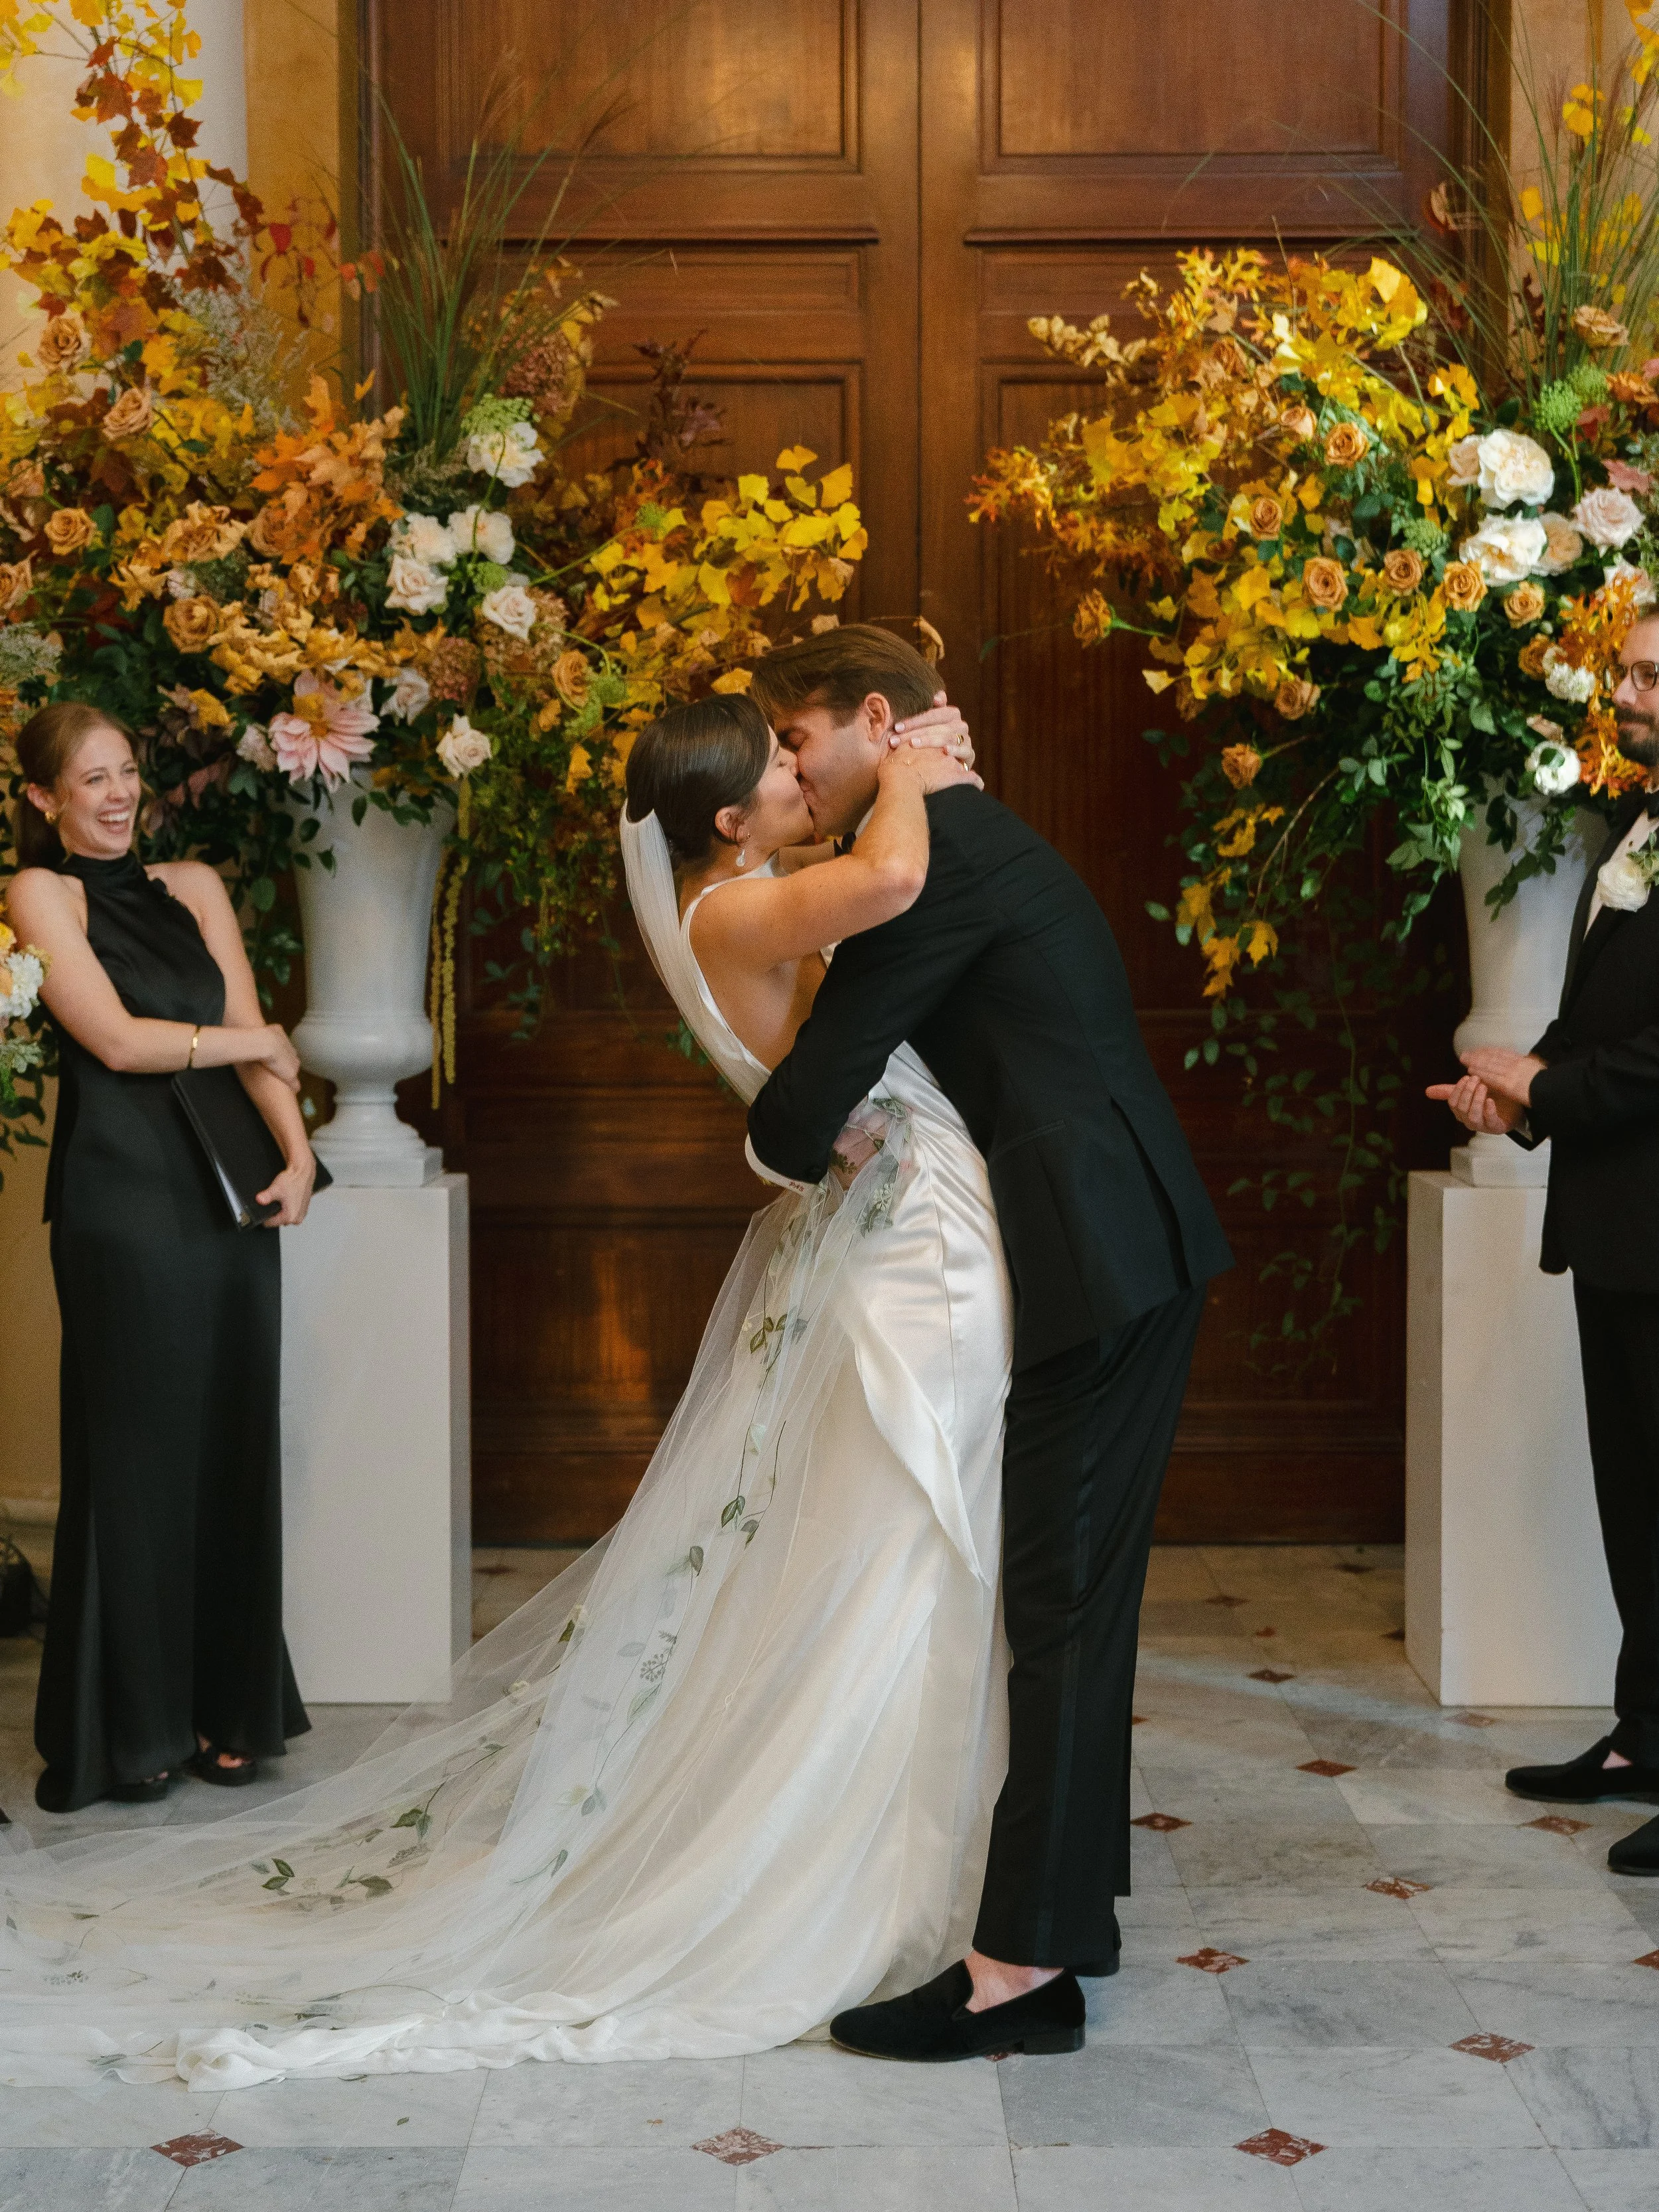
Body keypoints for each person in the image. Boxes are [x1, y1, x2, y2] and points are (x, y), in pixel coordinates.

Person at [0, 684, 1033, 2089]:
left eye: (804, 752)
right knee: (890, 1540)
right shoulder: (739, 909)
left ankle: (916, 1840)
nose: (807, 773)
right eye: (784, 762)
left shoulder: (758, 887)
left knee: (892, 1543)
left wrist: (283, 1130)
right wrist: (920, 764)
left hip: (877, 1232)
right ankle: (850, 1861)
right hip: (891, 1250)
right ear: (729, 819)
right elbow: (895, 878)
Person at [744, 624, 1233, 2061]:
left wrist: (802, 1126)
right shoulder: (958, 834)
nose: (790, 768)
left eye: (798, 739)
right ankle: (1069, 1910)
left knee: (1062, 1608)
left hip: (1099, 1255)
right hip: (1119, 1240)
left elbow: (793, 1111)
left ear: (874, 720)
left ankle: (1021, 1970)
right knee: (1073, 1605)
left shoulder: (928, 869)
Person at [5, 703, 316, 1814]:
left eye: (127, 771)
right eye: (91, 780)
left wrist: (299, 1149)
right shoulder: (41, 894)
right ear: (45, 801)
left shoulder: (195, 887)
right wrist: (258, 1044)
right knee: (139, 1460)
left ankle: (228, 1709)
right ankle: (128, 1726)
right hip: (121, 1201)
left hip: (228, 1201)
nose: (118, 793)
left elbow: (247, 1013)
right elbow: (119, 1040)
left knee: (229, 1442)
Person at [1429, 613, 1659, 1878]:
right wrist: (1512, 1097)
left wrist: (1545, 1086)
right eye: (1625, 671)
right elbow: (1599, 1017)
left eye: (1646, 676)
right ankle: (1644, 1737)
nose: (1620, 692)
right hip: (1621, 1223)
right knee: (1632, 1499)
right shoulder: (1636, 827)